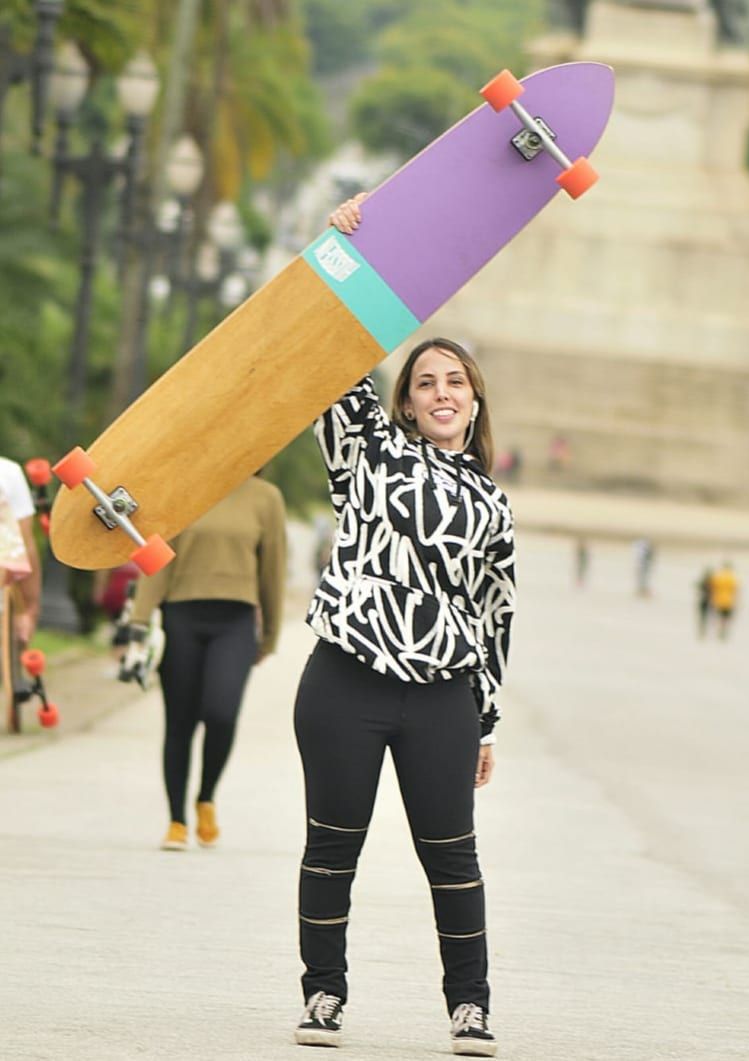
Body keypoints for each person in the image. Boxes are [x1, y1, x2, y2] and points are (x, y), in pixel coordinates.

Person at [292, 190, 516, 1061]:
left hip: (441, 700)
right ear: (408, 403)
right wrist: (338, 243)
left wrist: (485, 722)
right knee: (331, 847)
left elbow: (494, 621)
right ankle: (322, 992)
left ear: (473, 398)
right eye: (424, 382)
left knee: (452, 859)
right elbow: (325, 351)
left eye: (453, 380)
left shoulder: (493, 506)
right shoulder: (369, 453)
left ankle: (469, 1007)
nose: (439, 391)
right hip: (344, 680)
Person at [129, 472, 286, 851]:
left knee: (221, 713)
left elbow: (273, 569)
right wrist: (138, 621)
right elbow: (158, 557)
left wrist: (269, 635)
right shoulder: (183, 489)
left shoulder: (266, 497)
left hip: (234, 622)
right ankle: (177, 821)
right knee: (179, 722)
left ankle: (206, 797)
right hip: (181, 615)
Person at [0, 456, 41, 646]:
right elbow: (24, 547)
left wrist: (26, 609)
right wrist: (27, 610)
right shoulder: (6, 473)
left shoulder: (8, 473)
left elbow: (23, 547)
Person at [709, 560, 739, 640]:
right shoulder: (732, 578)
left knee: (718, 616)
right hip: (728, 601)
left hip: (718, 600)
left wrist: (712, 598)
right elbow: (735, 590)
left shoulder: (718, 577)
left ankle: (719, 629)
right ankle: (723, 630)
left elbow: (712, 587)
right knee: (725, 618)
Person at [695, 566, 713, 637]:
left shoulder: (704, 582)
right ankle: (705, 630)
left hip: (704, 601)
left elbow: (698, 588)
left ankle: (703, 630)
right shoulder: (712, 582)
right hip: (709, 601)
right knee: (708, 616)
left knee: (703, 617)